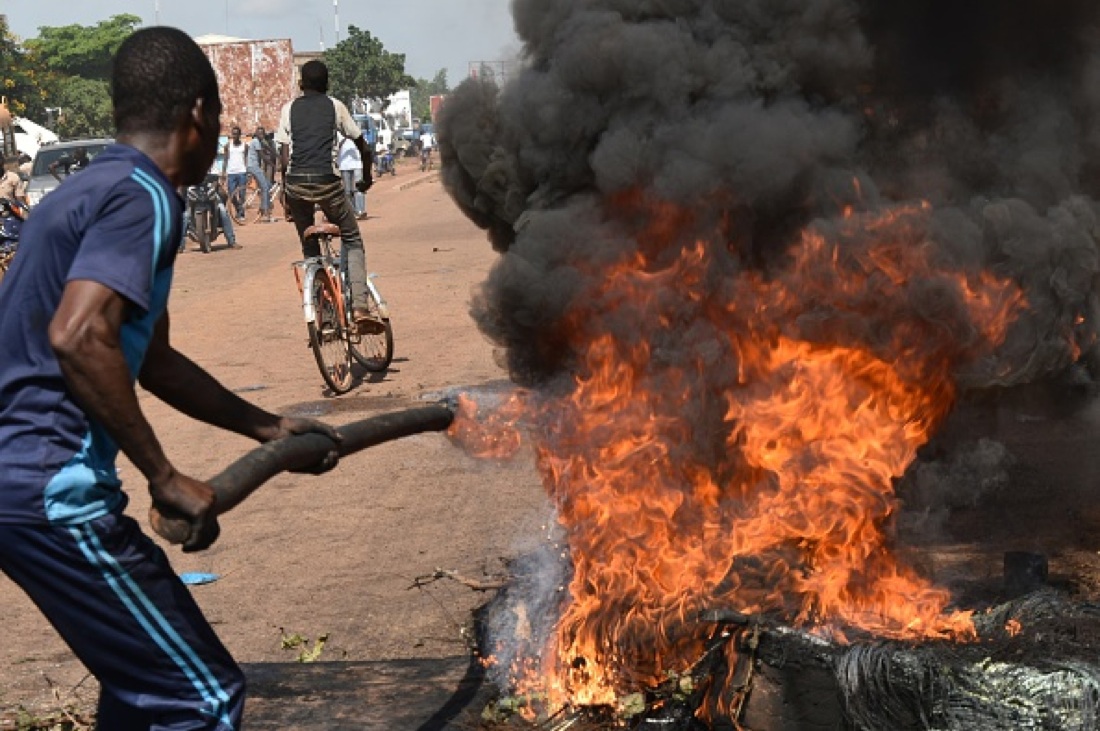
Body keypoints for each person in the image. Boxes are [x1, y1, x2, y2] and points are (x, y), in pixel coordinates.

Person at [0, 27, 340, 730]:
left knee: (141, 686)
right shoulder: (145, 196)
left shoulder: (79, 190)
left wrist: (270, 429)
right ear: (200, 113)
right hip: (52, 490)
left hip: (18, 486)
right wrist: (161, 472)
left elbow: (151, 357)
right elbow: (78, 333)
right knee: (201, 693)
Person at [275, 59, 380, 333]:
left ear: (301, 84)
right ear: (327, 84)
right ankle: (359, 307)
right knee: (352, 238)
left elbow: (284, 160)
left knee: (309, 243)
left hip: (296, 185)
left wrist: (287, 198)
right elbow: (364, 147)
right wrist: (365, 179)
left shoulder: (289, 109)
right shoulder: (335, 106)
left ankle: (326, 313)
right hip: (327, 183)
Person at [220, 126, 248, 223]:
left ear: (239, 135)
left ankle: (241, 213)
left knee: (242, 194)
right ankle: (238, 208)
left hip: (242, 172)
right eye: (233, 134)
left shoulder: (244, 146)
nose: (235, 136)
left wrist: (248, 171)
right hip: (231, 172)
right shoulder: (228, 146)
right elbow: (225, 159)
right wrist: (223, 173)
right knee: (231, 194)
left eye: (237, 134)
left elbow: (246, 159)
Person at [247, 126, 274, 223]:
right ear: (256, 133)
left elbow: (267, 148)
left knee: (269, 185)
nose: (261, 135)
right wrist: (272, 164)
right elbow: (262, 155)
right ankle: (265, 212)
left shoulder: (260, 141)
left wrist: (276, 154)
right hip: (254, 167)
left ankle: (264, 202)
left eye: (263, 133)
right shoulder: (255, 141)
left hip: (254, 167)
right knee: (265, 188)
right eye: (260, 133)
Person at [337, 133, 367, 220]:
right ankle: (353, 211)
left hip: (357, 164)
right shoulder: (338, 135)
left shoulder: (357, 134)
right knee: (347, 191)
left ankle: (361, 210)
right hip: (344, 165)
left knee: (359, 188)